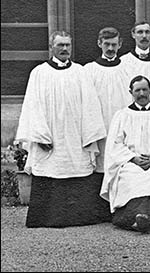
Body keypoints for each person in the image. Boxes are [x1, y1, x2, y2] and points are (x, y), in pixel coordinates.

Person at [17, 31, 108, 228]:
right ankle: (47, 218)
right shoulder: (39, 73)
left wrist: (89, 135)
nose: (65, 49)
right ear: (51, 47)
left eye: (67, 45)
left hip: (75, 135)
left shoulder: (80, 72)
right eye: (60, 45)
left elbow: (90, 105)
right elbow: (33, 105)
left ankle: (78, 218)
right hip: (50, 135)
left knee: (76, 168)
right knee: (50, 169)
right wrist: (40, 135)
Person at [101, 75, 150, 232]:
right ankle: (144, 216)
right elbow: (115, 144)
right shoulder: (122, 115)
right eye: (137, 90)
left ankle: (132, 218)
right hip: (131, 162)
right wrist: (132, 158)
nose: (142, 94)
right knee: (130, 176)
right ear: (131, 92)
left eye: (145, 90)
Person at [83, 27, 132, 179]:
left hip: (122, 126)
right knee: (101, 167)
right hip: (100, 126)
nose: (110, 48)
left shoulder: (128, 69)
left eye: (114, 44)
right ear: (99, 44)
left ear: (120, 44)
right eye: (106, 44)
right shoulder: (89, 70)